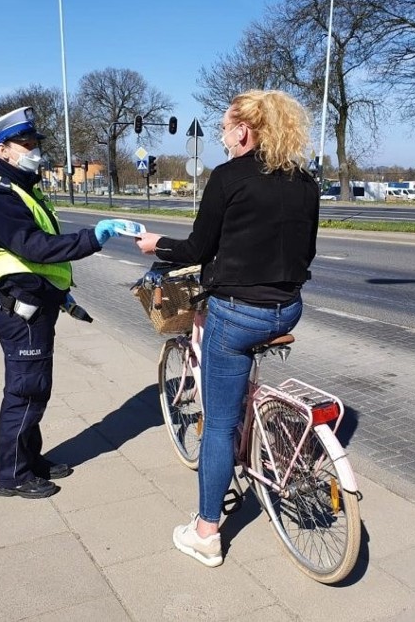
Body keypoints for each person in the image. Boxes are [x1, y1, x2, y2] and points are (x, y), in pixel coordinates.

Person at [136, 90, 320, 566]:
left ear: (244, 129)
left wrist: (158, 244)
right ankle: (260, 426)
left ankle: (205, 533)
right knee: (234, 366)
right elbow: (305, 251)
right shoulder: (305, 180)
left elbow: (197, 247)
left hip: (239, 313)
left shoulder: (229, 177)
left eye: (224, 128)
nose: (221, 136)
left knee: (217, 424)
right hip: (288, 308)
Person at [0, 106, 125, 499]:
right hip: (21, 310)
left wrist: (61, 293)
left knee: (35, 388)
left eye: (34, 143)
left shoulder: (22, 189)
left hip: (36, 304)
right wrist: (92, 239)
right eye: (25, 144)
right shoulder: (0, 197)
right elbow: (34, 247)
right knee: (25, 391)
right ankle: (13, 475)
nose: (33, 149)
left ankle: (31, 459)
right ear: (2, 149)